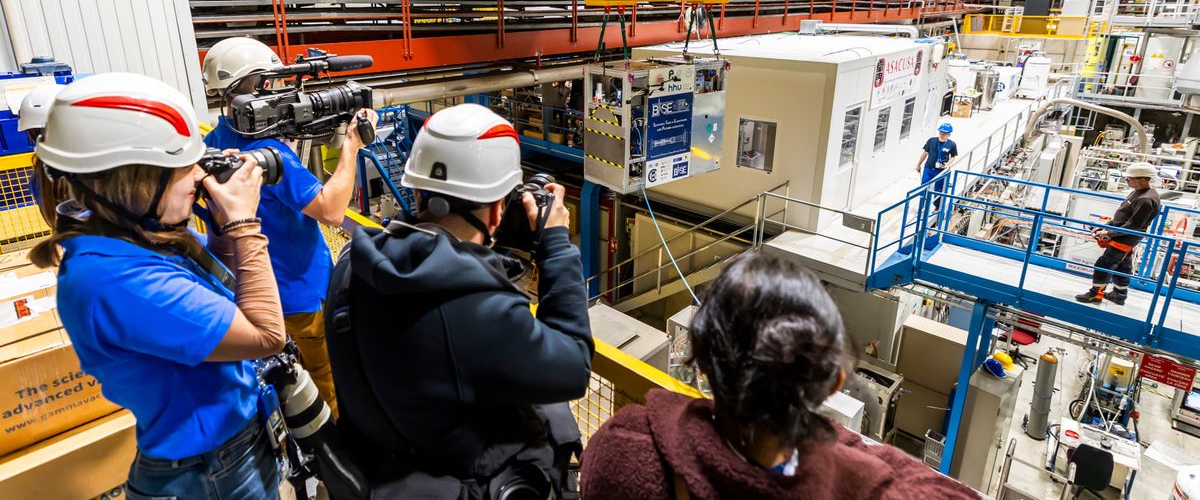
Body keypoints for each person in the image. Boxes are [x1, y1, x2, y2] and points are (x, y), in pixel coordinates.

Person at [30, 73, 286, 499]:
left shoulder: (136, 235)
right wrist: (245, 223)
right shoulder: (115, 280)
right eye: (182, 167)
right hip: (209, 474)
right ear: (133, 181)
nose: (196, 177)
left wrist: (222, 228)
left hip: (229, 448)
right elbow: (266, 334)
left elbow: (223, 285)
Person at [326, 103, 593, 497]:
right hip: (457, 478)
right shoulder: (477, 306)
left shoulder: (353, 264)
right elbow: (573, 366)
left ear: (416, 191)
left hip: (383, 470)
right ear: (498, 209)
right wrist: (555, 245)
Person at [580, 252, 978, 500]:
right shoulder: (864, 485)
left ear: (702, 358)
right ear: (833, 382)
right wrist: (837, 442)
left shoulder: (624, 448)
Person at [203, 36, 377, 418]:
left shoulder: (213, 145)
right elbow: (331, 210)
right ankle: (336, 447)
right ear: (260, 86)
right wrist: (351, 145)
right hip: (302, 294)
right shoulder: (268, 157)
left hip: (251, 295)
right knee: (329, 375)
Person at [1075, 162, 1162, 306]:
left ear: (1144, 179)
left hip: (1125, 237)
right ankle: (1119, 295)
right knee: (1123, 265)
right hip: (1121, 233)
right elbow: (1123, 216)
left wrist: (1109, 233)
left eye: (1130, 178)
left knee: (1104, 264)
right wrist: (1106, 227)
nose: (1127, 180)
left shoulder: (1146, 200)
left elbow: (1133, 226)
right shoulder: (1137, 192)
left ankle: (1095, 294)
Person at [916, 122, 958, 189]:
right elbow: (924, 153)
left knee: (938, 189)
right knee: (923, 187)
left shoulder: (952, 144)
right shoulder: (931, 141)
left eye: (944, 134)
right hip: (929, 168)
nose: (941, 135)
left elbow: (953, 156)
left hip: (940, 170)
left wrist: (947, 163)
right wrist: (918, 165)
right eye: (940, 133)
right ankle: (922, 199)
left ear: (949, 134)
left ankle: (937, 199)